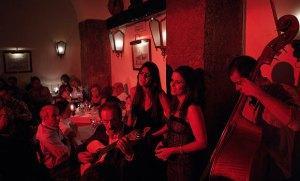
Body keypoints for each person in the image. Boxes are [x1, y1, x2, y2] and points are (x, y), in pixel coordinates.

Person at [228, 55, 300, 180]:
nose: (237, 88)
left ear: (253, 76)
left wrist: (258, 93)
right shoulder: (246, 102)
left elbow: (297, 123)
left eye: (239, 83)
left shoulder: (284, 90)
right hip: (257, 166)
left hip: (280, 168)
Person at [155, 66, 207, 181]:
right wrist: (164, 142)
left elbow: (202, 142)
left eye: (178, 82)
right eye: (172, 80)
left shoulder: (192, 108)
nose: (172, 85)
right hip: (173, 161)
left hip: (186, 165)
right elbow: (172, 128)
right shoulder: (175, 104)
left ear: (188, 86)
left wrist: (172, 150)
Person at [127, 61, 170, 180]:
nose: (143, 77)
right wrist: (129, 111)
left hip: (154, 137)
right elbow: (130, 123)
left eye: (147, 75)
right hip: (138, 137)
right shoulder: (133, 91)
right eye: (141, 73)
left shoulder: (160, 95)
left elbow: (172, 122)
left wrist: (154, 133)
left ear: (154, 78)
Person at [78, 102, 135, 180]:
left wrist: (129, 155)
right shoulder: (101, 129)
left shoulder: (130, 134)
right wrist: (79, 155)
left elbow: (141, 167)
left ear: (120, 117)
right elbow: (85, 144)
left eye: (113, 120)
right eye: (105, 121)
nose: (110, 126)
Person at [35, 105, 75, 179]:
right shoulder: (47, 136)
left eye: (58, 115)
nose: (58, 118)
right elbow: (65, 154)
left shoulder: (51, 126)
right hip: (58, 169)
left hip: (63, 162)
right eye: (54, 116)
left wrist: (66, 142)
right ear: (44, 118)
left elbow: (64, 140)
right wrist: (68, 142)